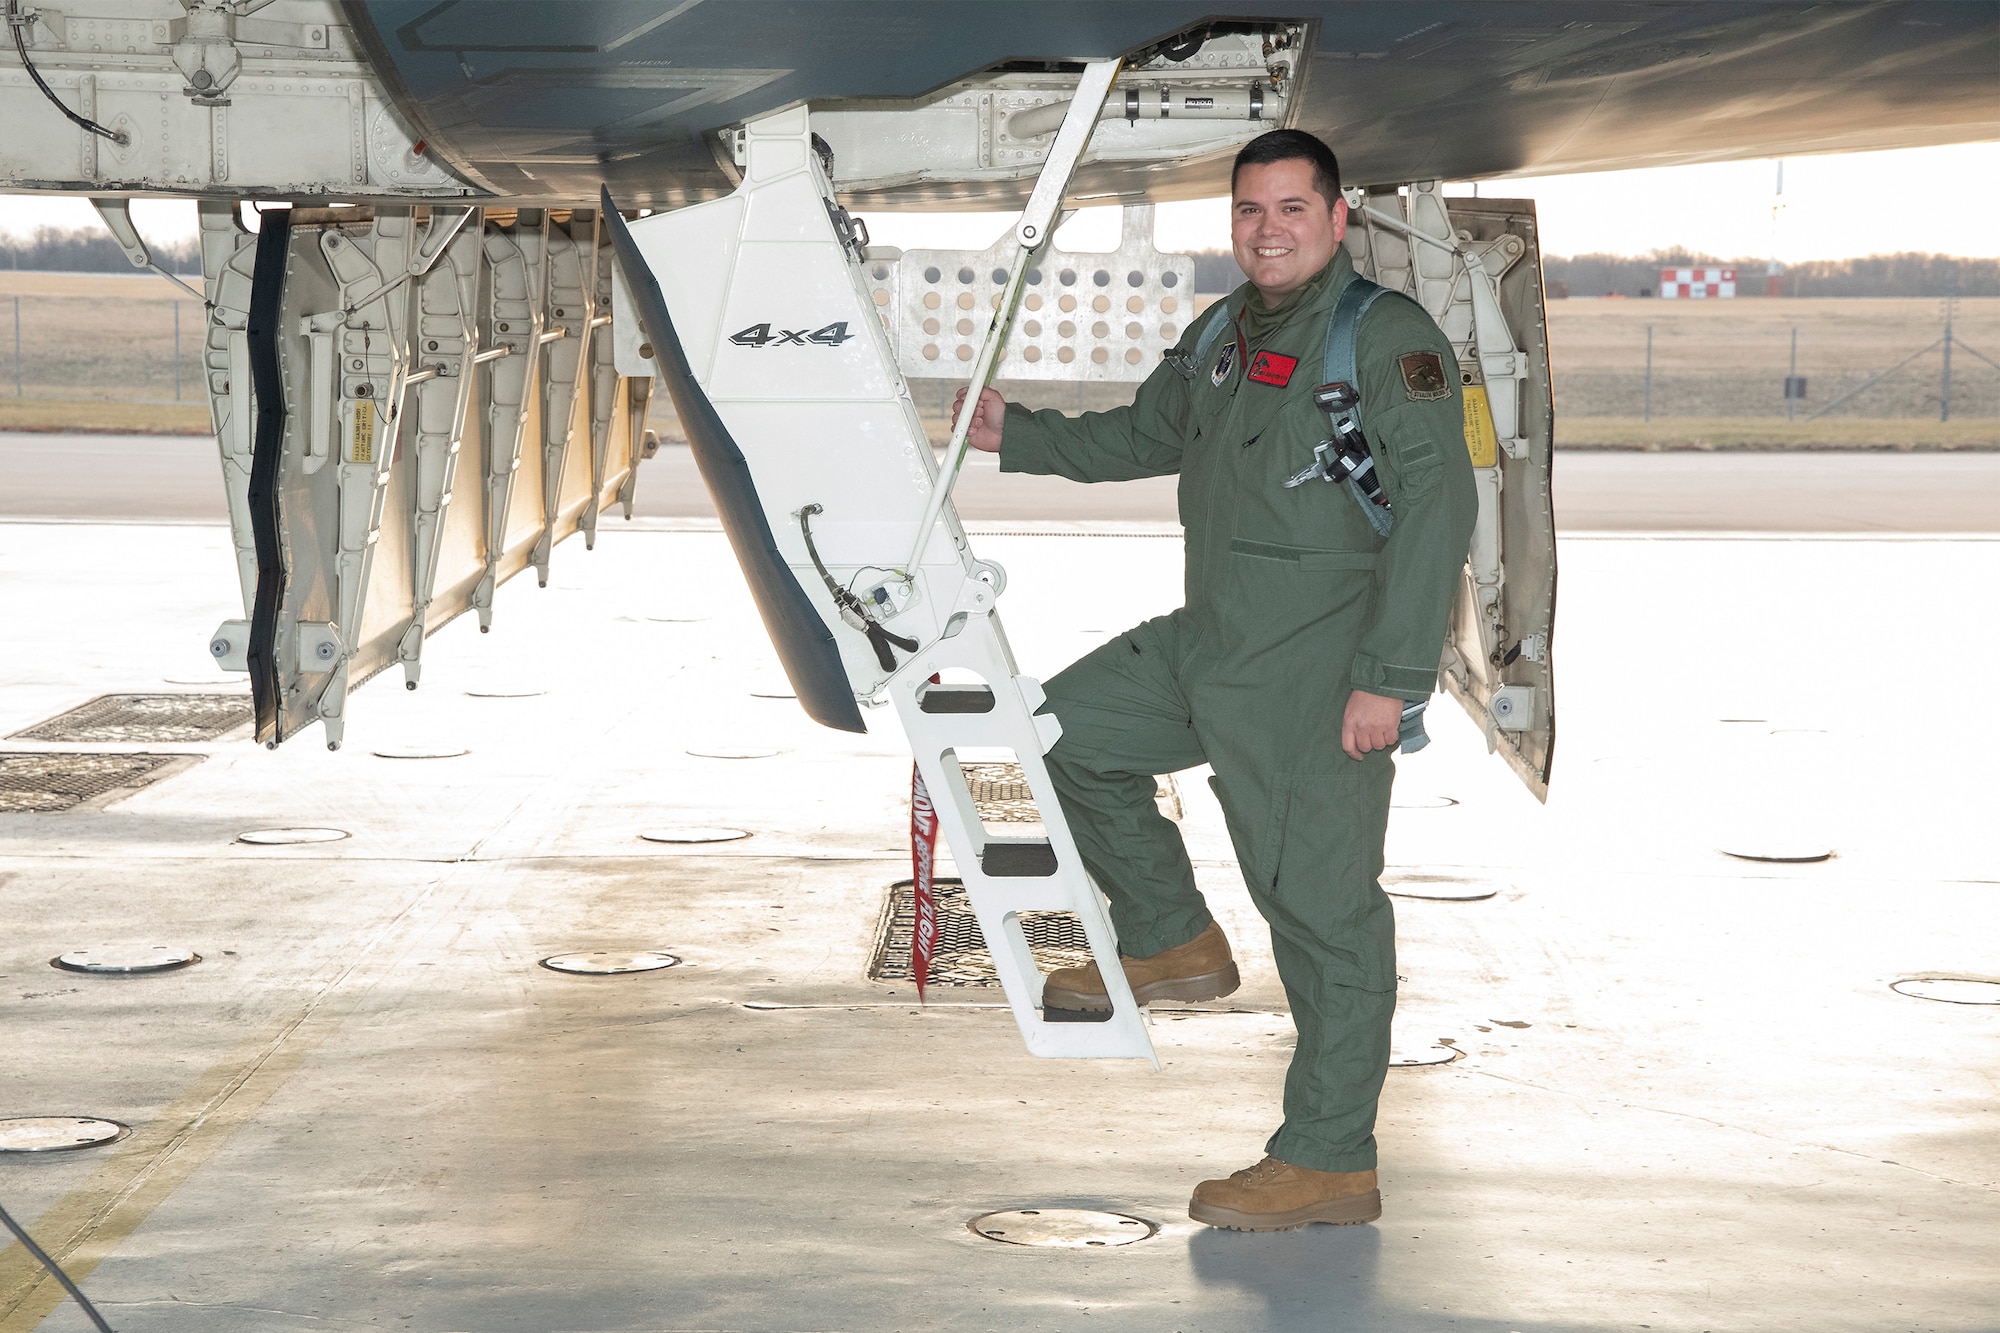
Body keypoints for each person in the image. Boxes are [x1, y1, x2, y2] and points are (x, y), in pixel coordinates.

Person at [953, 129, 1478, 1232]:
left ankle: (1328, 1158)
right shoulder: (1224, 331)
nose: (1267, 229)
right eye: (1249, 211)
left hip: (1316, 667)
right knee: (1057, 729)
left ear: (1337, 221)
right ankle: (1166, 934)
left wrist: (1387, 680)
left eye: (1291, 209)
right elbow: (1145, 433)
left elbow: (1438, 511)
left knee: (1322, 917)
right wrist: (1016, 432)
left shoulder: (1384, 339)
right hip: (1211, 641)